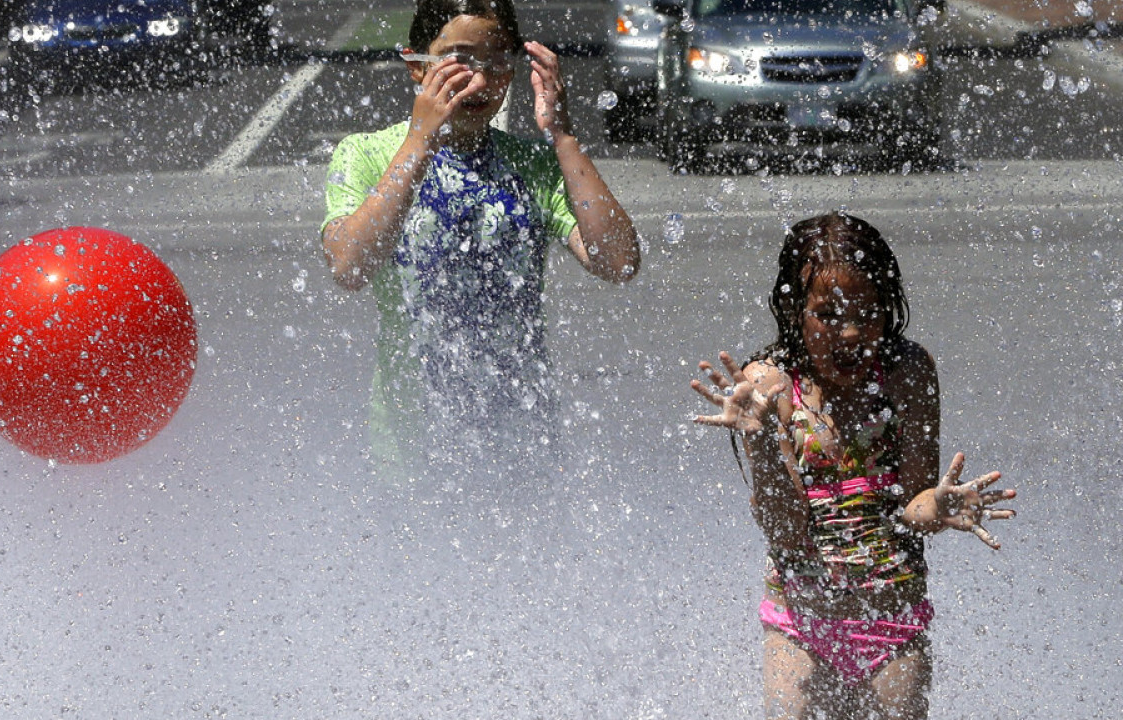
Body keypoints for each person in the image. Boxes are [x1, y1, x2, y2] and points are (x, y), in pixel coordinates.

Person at [689, 213, 1016, 719]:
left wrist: (938, 506)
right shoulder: (769, 387)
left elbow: (911, 508)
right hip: (802, 624)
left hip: (893, 625)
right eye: (828, 314)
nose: (851, 333)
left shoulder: (906, 373)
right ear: (794, 310)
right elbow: (787, 532)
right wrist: (759, 440)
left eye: (868, 313)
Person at [320, 0, 640, 478]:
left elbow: (618, 261)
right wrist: (420, 139)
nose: (479, 81)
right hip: (412, 449)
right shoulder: (367, 154)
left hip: (525, 443)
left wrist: (564, 136)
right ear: (415, 65)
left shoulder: (534, 164)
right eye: (460, 61)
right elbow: (348, 266)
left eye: (495, 63)